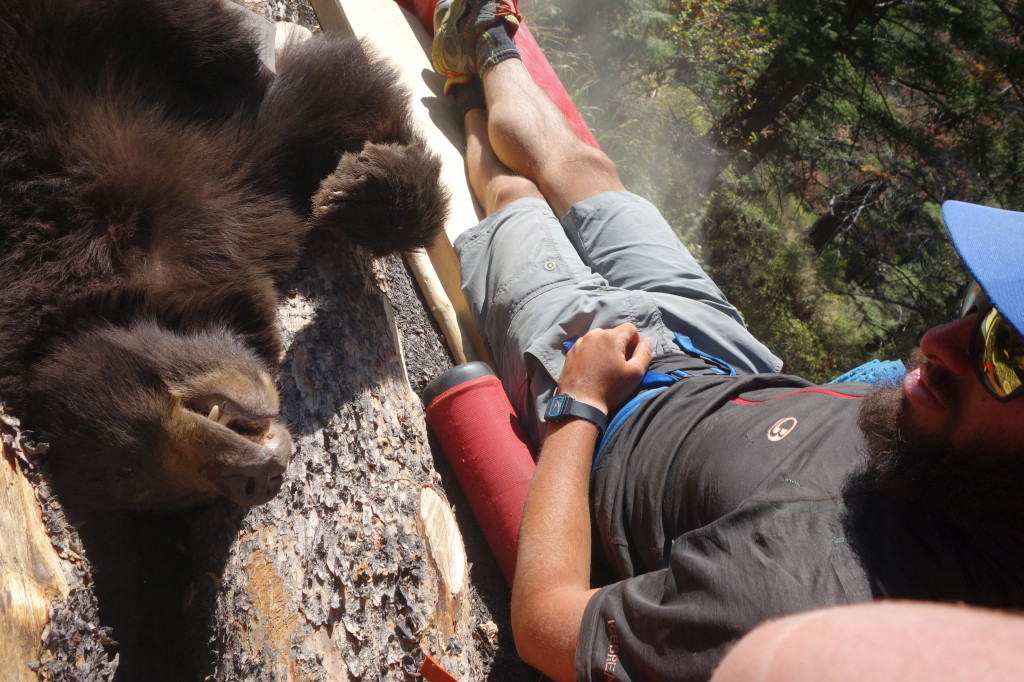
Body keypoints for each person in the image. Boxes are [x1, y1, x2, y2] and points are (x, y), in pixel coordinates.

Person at [429, 1, 1024, 680]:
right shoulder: (957, 458)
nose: (939, 343)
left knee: (515, 199)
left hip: (614, 409)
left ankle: (464, 90)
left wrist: (579, 403)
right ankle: (486, 40)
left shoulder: (801, 608)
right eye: (985, 314)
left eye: (1008, 357)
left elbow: (546, 626)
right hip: (726, 356)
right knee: (587, 172)